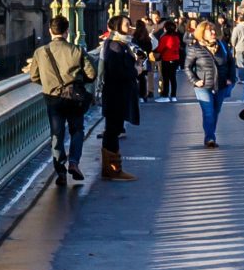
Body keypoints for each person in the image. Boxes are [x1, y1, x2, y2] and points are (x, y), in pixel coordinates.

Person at [29, 15, 95, 182]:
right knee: (77, 130)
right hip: (74, 97)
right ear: (67, 32)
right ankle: (73, 162)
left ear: (50, 31)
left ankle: (61, 171)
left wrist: (49, 84)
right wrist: (78, 82)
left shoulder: (40, 52)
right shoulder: (77, 50)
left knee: (57, 134)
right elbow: (92, 74)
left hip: (53, 98)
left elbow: (34, 76)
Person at [97, 13, 145, 181]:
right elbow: (116, 71)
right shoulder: (115, 46)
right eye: (126, 25)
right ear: (117, 27)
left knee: (113, 129)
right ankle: (113, 169)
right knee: (113, 130)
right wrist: (135, 71)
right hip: (117, 94)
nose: (130, 28)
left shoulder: (121, 44)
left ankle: (111, 167)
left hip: (117, 93)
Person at [187, 19, 236, 147]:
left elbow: (231, 62)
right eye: (210, 30)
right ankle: (210, 138)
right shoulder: (195, 48)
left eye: (214, 30)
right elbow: (187, 67)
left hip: (221, 84)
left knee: (215, 111)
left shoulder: (222, 46)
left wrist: (231, 78)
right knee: (208, 111)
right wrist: (195, 80)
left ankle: (210, 134)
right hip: (203, 86)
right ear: (202, 33)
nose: (213, 32)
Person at [153, 15, 183, 102]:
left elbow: (160, 48)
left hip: (167, 59)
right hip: (176, 59)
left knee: (165, 77)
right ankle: (173, 96)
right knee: (173, 78)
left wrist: (155, 50)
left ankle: (165, 95)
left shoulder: (165, 38)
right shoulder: (176, 37)